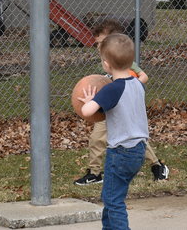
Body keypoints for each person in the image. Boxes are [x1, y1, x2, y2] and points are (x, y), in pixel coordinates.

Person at [75, 18, 169, 186]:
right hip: (108, 106)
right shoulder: (106, 63)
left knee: (133, 140)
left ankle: (157, 165)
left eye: (102, 42)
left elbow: (143, 76)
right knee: (97, 138)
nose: (98, 47)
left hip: (122, 106)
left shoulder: (124, 61)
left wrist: (130, 88)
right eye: (97, 43)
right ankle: (95, 173)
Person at [78, 33, 148, 230]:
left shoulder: (111, 90)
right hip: (138, 150)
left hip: (120, 152)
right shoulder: (138, 84)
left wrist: (92, 100)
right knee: (111, 196)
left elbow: (86, 111)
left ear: (106, 64)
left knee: (113, 200)